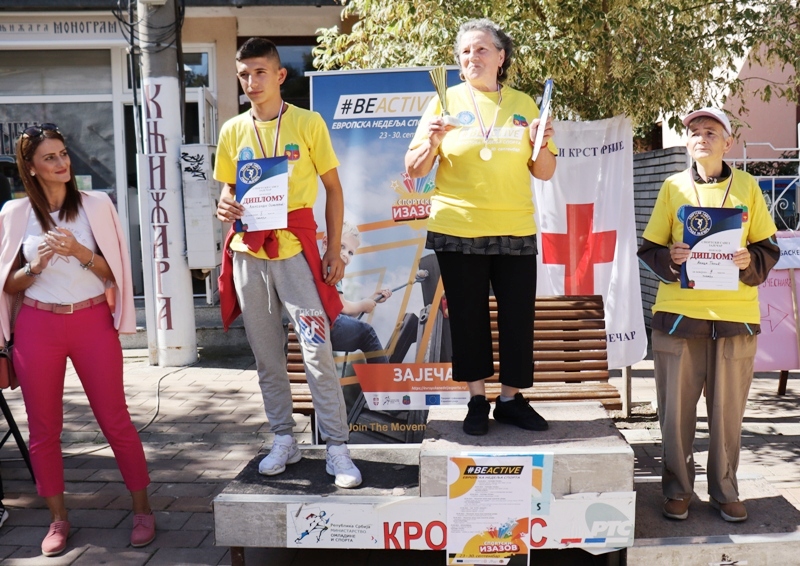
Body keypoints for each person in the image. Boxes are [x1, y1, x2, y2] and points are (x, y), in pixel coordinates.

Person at [0, 124, 154, 556]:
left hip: (91, 321)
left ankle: (143, 510)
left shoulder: (96, 205)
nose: (62, 163)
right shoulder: (14, 214)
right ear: (31, 168)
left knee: (116, 419)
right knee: (43, 428)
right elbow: (7, 284)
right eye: (50, 158)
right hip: (37, 325)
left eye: (63, 153)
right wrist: (36, 267)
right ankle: (57, 519)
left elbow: (115, 272)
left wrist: (80, 253)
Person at [215, 38, 362, 488]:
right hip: (248, 254)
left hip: (296, 251)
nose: (252, 82)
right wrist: (224, 204)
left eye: (260, 72)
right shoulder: (232, 130)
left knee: (316, 350)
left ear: (280, 75)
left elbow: (333, 189)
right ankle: (283, 437)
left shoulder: (307, 122)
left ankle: (337, 446)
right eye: (244, 74)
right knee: (266, 355)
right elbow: (227, 190)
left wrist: (332, 250)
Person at [405, 18, 557, 436]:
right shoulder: (443, 102)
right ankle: (476, 400)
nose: (472, 57)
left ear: (501, 57)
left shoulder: (525, 104)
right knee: (468, 318)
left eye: (481, 49)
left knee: (517, 317)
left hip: (515, 227)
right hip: (458, 226)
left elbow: (544, 171)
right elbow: (414, 169)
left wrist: (541, 143)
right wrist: (432, 141)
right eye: (466, 51)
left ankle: (509, 400)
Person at [638, 107, 779, 523]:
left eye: (711, 131)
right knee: (675, 414)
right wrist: (673, 258)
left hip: (735, 320)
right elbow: (650, 249)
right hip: (679, 318)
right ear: (687, 142)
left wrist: (747, 261)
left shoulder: (749, 187)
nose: (701, 137)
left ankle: (725, 490)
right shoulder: (672, 187)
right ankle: (677, 490)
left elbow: (768, 249)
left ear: (728, 142)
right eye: (695, 131)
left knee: (727, 415)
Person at [325, 221, 392, 365]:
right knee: (367, 333)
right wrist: (363, 305)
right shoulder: (332, 267)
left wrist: (370, 300)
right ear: (326, 243)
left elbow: (343, 311)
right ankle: (383, 378)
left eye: (350, 252)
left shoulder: (323, 265)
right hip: (325, 326)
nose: (345, 254)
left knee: (359, 329)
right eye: (342, 246)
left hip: (321, 324)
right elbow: (344, 307)